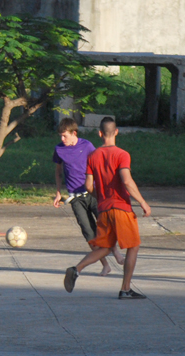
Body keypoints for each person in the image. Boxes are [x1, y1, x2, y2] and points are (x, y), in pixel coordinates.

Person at [63, 117, 151, 299]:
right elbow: (126, 180)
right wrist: (142, 202)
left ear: (100, 134)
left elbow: (88, 186)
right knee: (133, 246)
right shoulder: (122, 154)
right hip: (121, 208)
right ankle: (125, 289)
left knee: (105, 246)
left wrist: (101, 197)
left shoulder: (92, 156)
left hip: (103, 209)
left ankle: (76, 269)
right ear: (116, 132)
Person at [53, 117, 124, 276]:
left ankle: (116, 252)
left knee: (105, 226)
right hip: (75, 198)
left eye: (65, 135)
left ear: (74, 133)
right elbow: (58, 172)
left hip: (92, 193)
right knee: (89, 233)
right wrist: (58, 192)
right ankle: (105, 264)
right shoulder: (59, 149)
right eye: (60, 136)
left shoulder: (87, 146)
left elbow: (100, 165)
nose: (62, 139)